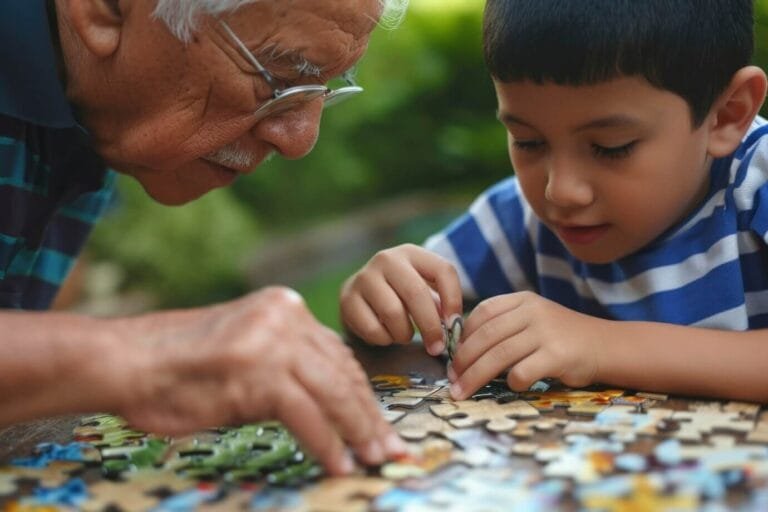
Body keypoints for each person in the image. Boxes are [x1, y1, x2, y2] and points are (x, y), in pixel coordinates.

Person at [0, 0, 410, 476]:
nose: (299, 139)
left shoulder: (104, 112)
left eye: (322, 88)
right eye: (279, 77)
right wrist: (145, 356)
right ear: (102, 10)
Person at [340, 0, 768, 404]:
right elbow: (414, 311)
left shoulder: (758, 181)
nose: (559, 191)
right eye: (529, 142)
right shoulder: (517, 222)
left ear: (728, 114)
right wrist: (375, 301)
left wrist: (601, 345)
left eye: (610, 146)